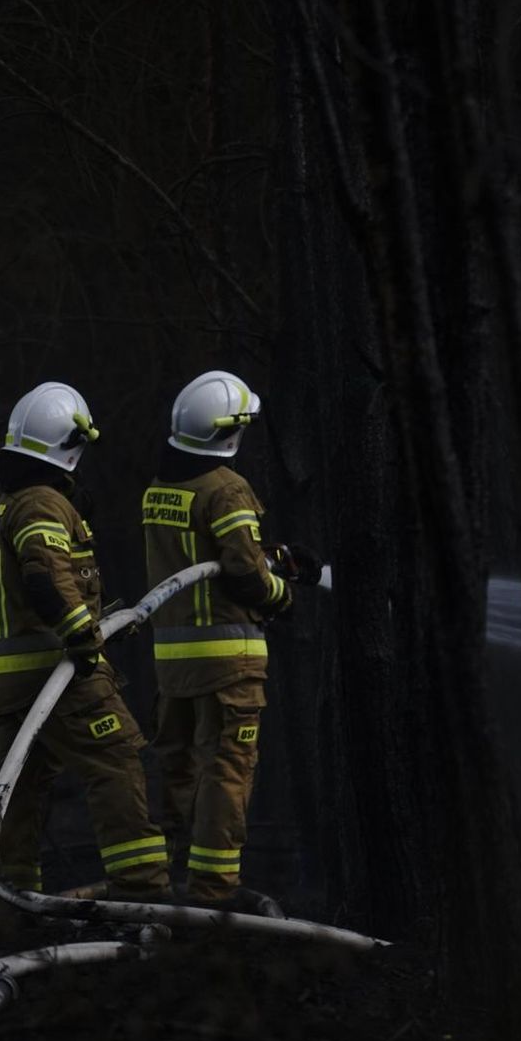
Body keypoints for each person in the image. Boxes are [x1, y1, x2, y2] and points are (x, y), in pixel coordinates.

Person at [141, 369, 321, 909]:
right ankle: (213, 893)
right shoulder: (227, 487)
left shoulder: (160, 488)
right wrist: (283, 599)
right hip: (229, 663)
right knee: (227, 772)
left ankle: (154, 886)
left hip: (173, 666)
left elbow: (209, 560)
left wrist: (277, 559)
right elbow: (242, 575)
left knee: (177, 770)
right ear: (230, 430)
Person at [0, 381, 171, 903]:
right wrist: (82, 634)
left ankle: (14, 900)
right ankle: (140, 890)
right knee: (116, 760)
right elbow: (44, 575)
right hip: (60, 670)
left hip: (14, 681)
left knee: (22, 793)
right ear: (72, 446)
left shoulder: (14, 502)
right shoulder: (43, 503)